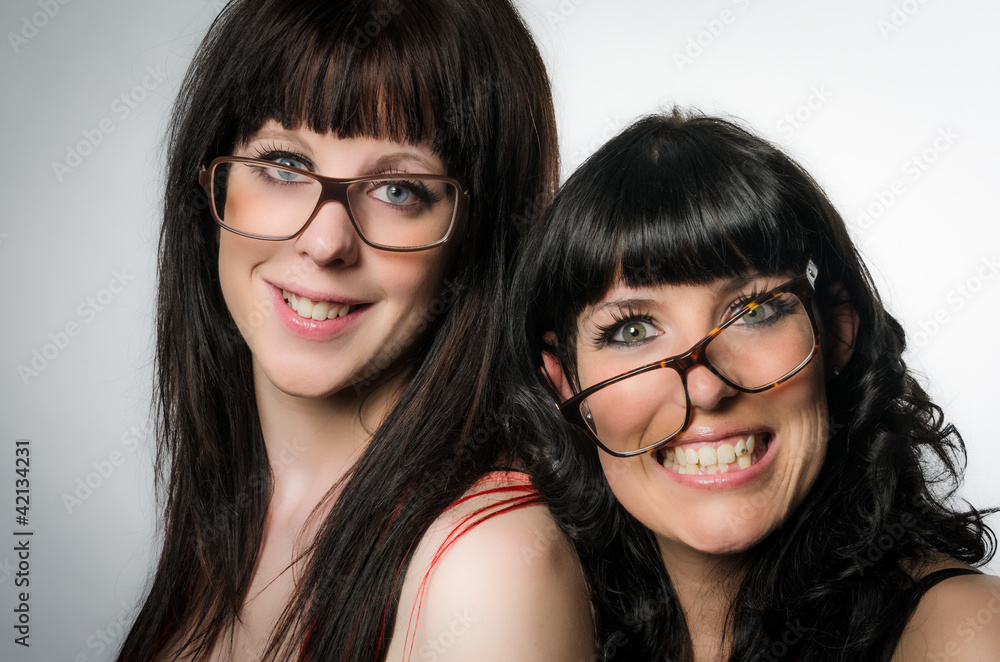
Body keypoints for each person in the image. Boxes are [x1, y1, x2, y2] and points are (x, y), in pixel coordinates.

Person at [116, 1, 594, 660]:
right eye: (284, 164)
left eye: (399, 190)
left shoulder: (488, 571)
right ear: (210, 184)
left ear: (480, 238)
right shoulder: (223, 504)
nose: (324, 241)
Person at [510, 110, 1000, 661]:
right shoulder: (533, 623)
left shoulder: (971, 637)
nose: (705, 390)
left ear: (836, 329)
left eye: (754, 310)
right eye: (633, 329)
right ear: (562, 381)